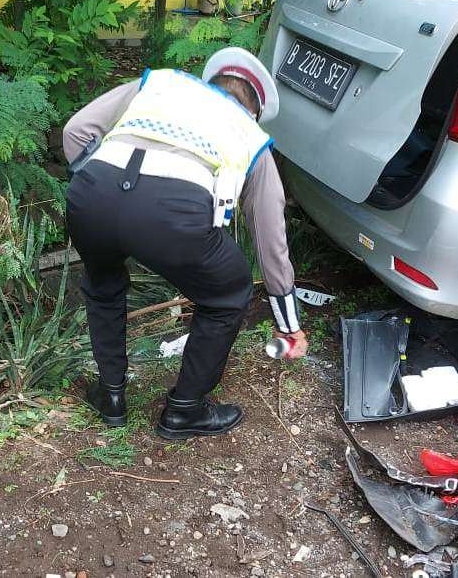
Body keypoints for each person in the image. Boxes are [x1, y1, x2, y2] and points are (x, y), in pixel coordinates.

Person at [63, 47, 308, 439]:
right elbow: (270, 234)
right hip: (173, 217)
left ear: (208, 83)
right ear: (254, 109)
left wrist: (98, 192)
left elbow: (75, 131)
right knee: (228, 292)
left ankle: (111, 396)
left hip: (92, 195)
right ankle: (184, 410)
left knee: (103, 285)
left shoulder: (157, 84)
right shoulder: (250, 134)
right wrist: (288, 325)